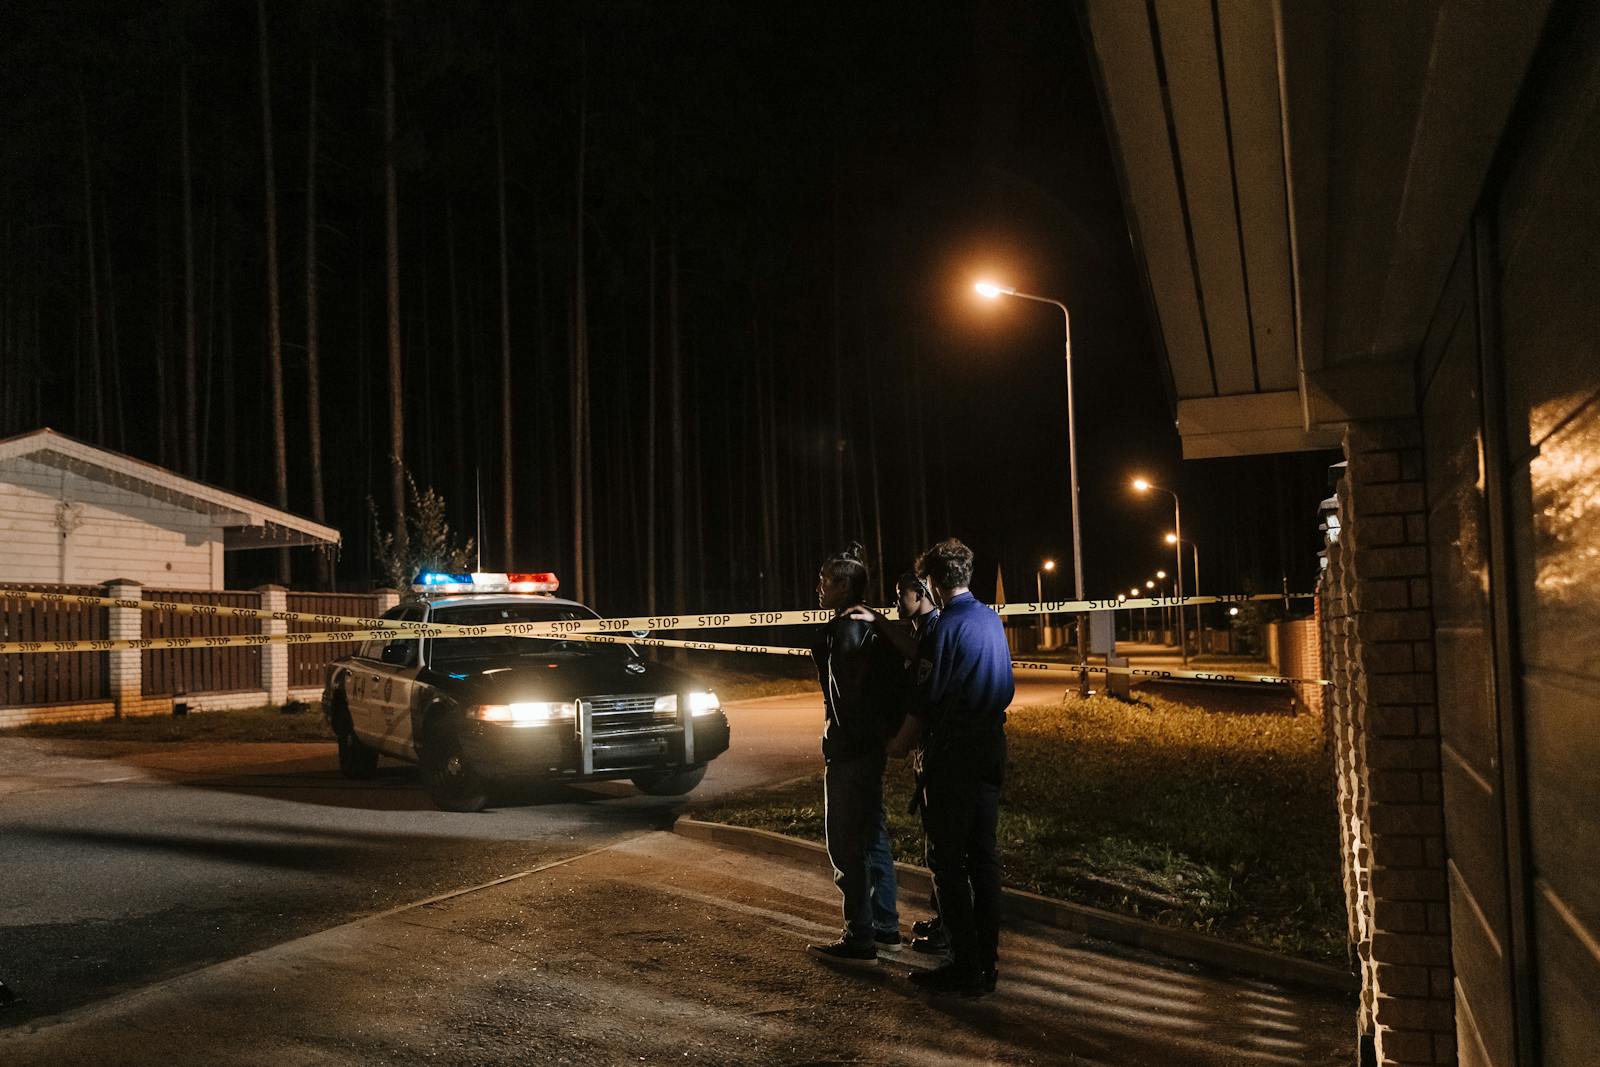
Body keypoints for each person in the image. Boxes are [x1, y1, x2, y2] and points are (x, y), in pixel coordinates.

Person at [852, 538, 1011, 995]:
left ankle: (964, 965)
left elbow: (924, 702)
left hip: (954, 755)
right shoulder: (990, 620)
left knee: (946, 860)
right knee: (984, 860)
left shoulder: (944, 628)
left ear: (935, 582)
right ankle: (987, 964)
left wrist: (896, 747)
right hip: (990, 748)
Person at [805, 543, 901, 963]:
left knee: (845, 843)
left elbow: (846, 698)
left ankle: (859, 936)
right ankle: (885, 926)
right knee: (873, 835)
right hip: (873, 747)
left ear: (844, 584)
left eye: (825, 581)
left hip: (850, 751)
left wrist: (842, 744)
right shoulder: (876, 625)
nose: (819, 589)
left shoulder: (845, 628)